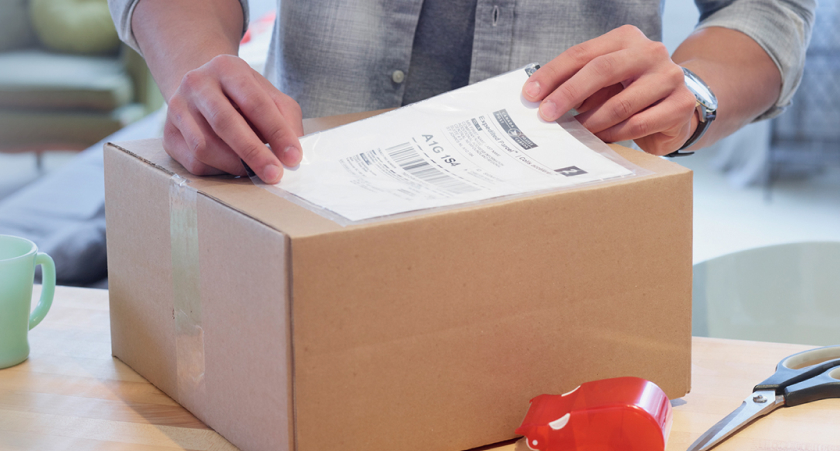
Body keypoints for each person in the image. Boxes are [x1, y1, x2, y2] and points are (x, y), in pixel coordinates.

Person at [108, 0, 815, 184]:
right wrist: (199, 69)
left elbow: (769, 8)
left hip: (573, 242)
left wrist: (693, 92)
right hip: (295, 208)